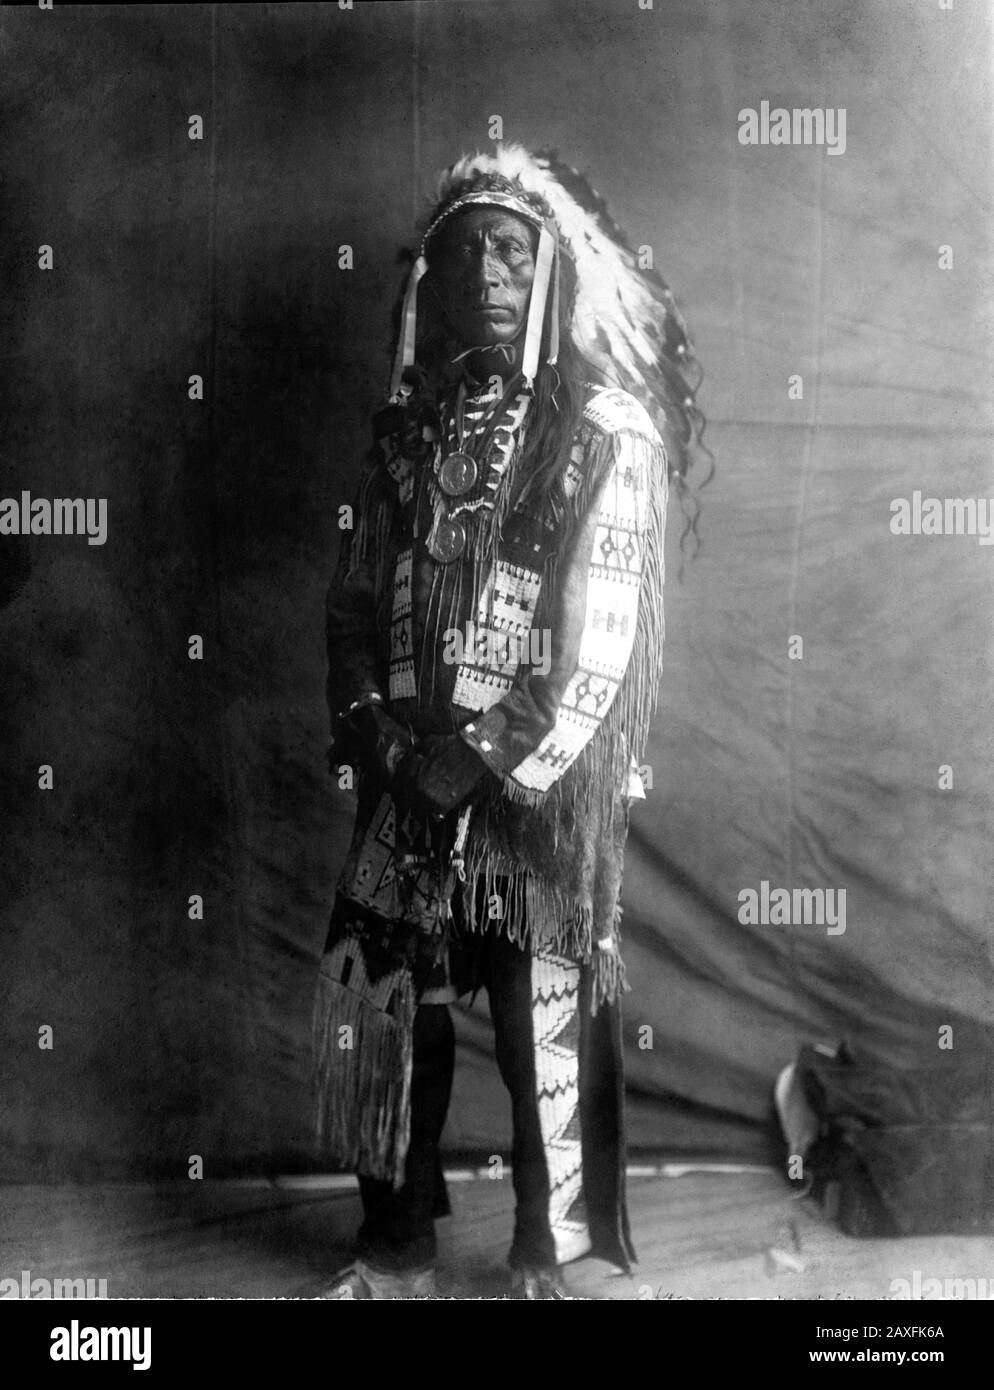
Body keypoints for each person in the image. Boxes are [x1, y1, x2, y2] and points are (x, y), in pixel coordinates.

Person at [312, 144, 704, 1299]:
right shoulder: (404, 437)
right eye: (464, 248)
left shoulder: (602, 431)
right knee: (388, 999)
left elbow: (604, 638)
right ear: (429, 278)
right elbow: (348, 596)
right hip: (404, 771)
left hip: (536, 780)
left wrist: (482, 756)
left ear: (550, 275)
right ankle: (393, 1248)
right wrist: (370, 729)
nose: (486, 266)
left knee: (544, 1019)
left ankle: (558, 1252)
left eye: (512, 248)